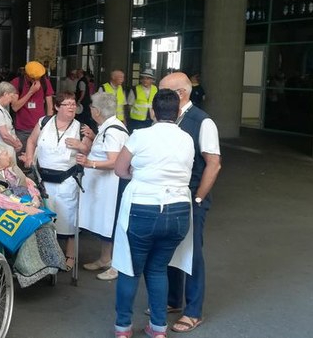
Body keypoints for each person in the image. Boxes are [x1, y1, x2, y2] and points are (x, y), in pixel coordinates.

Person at [111, 89, 195, 338]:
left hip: (143, 209)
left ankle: (123, 328)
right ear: (179, 112)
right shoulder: (187, 138)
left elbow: (119, 169)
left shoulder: (140, 136)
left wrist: (136, 176)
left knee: (130, 269)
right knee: (158, 269)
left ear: (152, 111)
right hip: (179, 211)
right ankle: (158, 329)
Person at [160, 72, 221, 334]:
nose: (157, 97)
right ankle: (174, 300)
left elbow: (213, 164)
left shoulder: (203, 122)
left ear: (181, 94)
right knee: (171, 248)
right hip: (171, 196)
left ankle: (193, 311)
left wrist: (198, 198)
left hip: (191, 197)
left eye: (163, 92)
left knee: (192, 252)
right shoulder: (172, 118)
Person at [0, 143, 66, 287]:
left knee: (44, 223)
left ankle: (51, 262)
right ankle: (28, 270)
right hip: (2, 211)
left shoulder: (10, 170)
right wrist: (23, 208)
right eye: (5, 154)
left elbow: (29, 184)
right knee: (28, 227)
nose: (9, 156)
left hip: (22, 203)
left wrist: (35, 198)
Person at [21, 92, 86, 272]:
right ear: (57, 107)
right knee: (45, 219)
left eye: (73, 104)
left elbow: (90, 149)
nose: (72, 107)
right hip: (43, 180)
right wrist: (29, 157)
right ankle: (49, 254)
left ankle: (70, 256)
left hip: (67, 180)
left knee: (69, 218)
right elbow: (32, 141)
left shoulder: (81, 127)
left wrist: (81, 146)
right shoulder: (44, 122)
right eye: (67, 104)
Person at [75, 92, 129, 281]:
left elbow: (114, 161)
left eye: (91, 107)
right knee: (107, 224)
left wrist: (90, 164)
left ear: (96, 111)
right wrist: (94, 136)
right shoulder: (107, 128)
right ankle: (105, 259)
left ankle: (116, 266)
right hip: (106, 187)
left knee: (113, 224)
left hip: (112, 187)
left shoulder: (112, 131)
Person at [11, 61, 54, 152]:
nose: (37, 79)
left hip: (39, 128)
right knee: (21, 158)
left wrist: (48, 125)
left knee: (38, 158)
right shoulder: (16, 83)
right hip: (22, 130)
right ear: (26, 75)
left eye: (39, 77)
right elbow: (15, 107)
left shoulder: (45, 82)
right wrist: (31, 92)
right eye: (34, 78)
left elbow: (50, 106)